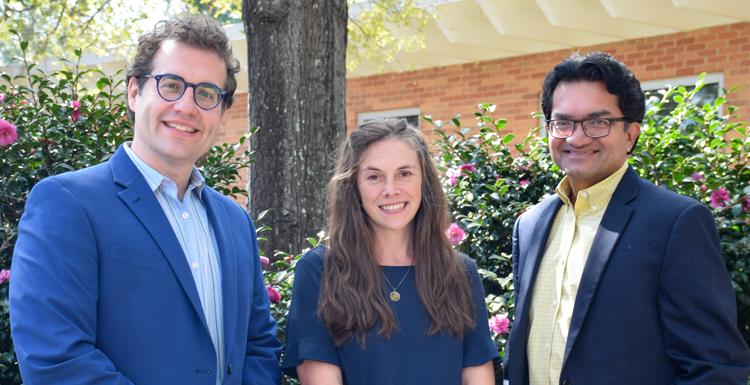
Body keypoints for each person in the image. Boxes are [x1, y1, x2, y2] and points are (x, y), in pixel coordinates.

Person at [10, 15, 281, 385]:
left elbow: (258, 346)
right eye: (171, 85)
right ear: (135, 92)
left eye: (206, 93)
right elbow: (56, 361)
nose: (186, 106)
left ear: (220, 112)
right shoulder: (67, 204)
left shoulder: (235, 222)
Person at [503, 51, 750, 385]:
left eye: (597, 122)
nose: (576, 138)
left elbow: (714, 367)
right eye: (563, 122)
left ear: (630, 134)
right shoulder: (530, 225)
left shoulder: (675, 223)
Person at [281, 119, 498, 384]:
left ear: (424, 181)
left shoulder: (461, 273)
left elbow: (477, 376)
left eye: (404, 173)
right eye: (374, 177)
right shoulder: (320, 271)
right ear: (354, 187)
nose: (390, 190)